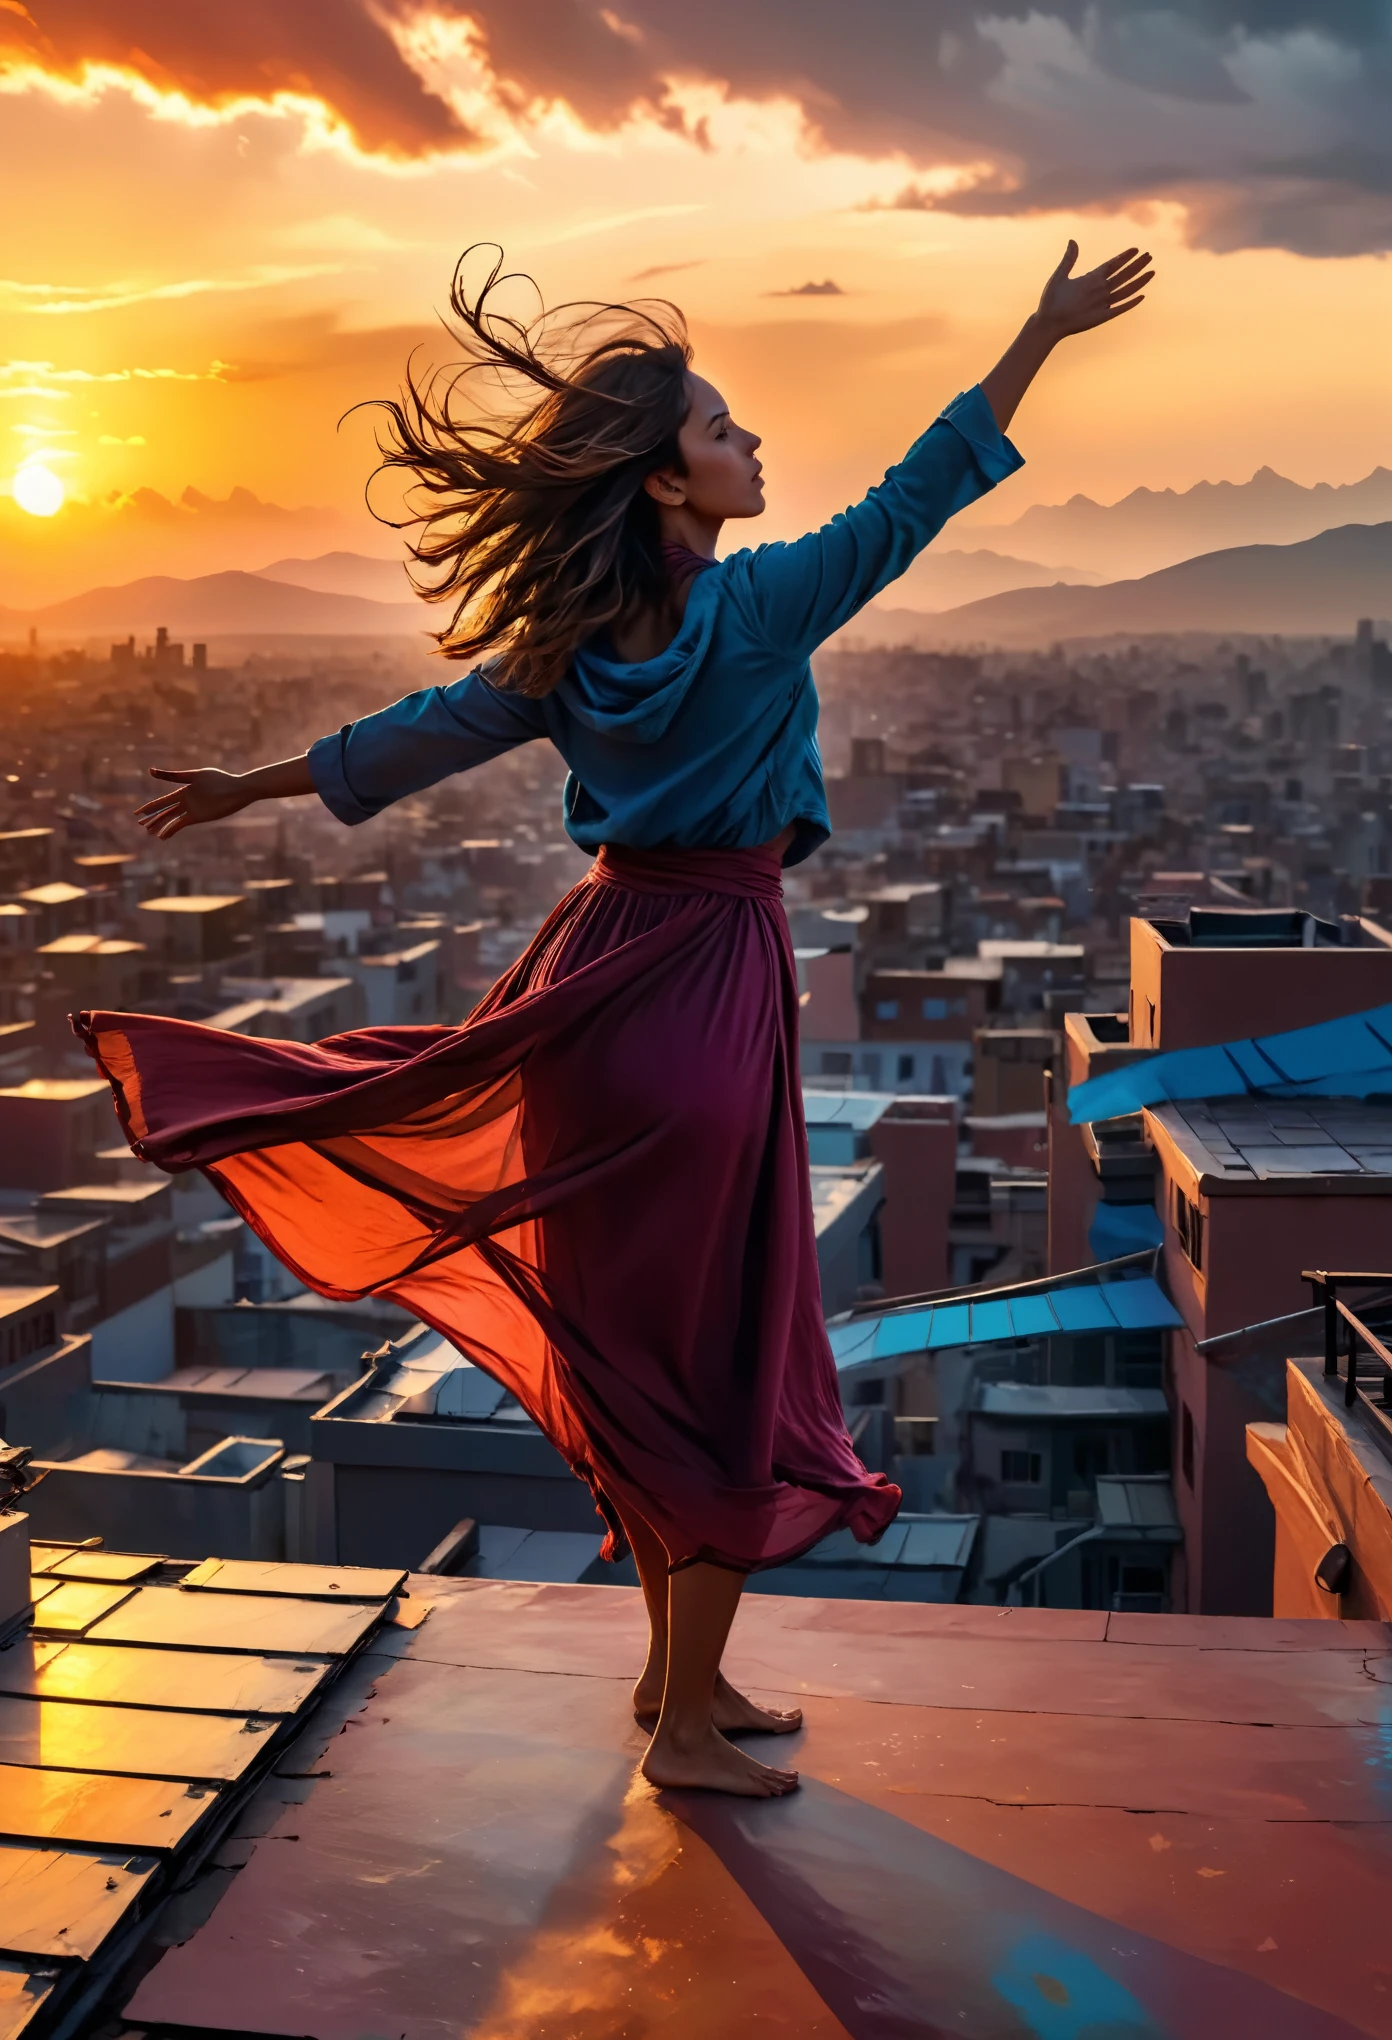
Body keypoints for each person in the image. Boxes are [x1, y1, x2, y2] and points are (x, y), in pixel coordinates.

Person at [78, 239, 1151, 1799]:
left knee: (643, 1360)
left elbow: (417, 738)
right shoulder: (762, 608)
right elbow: (924, 491)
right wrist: (1038, 335)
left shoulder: (568, 644)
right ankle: (684, 1725)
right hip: (710, 984)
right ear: (664, 483)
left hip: (593, 979)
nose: (753, 444)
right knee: (719, 1362)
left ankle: (678, 1688)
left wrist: (251, 784)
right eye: (724, 430)